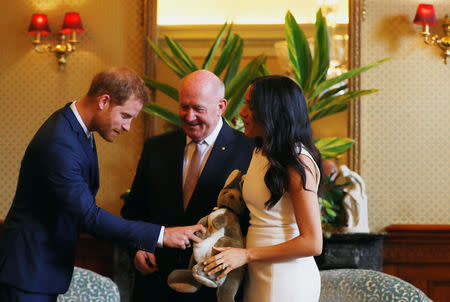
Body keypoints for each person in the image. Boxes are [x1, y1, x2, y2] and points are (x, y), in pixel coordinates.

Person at [0, 67, 205, 302]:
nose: (127, 126)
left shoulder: (77, 129)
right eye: (125, 116)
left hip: (39, 269)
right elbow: (89, 216)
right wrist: (162, 234)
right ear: (104, 101)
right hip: (27, 271)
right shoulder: (59, 143)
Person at [121, 69, 254, 302]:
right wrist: (138, 248)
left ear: (221, 107)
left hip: (214, 286)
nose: (189, 116)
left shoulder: (249, 151)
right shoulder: (156, 148)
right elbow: (133, 210)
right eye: (184, 107)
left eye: (198, 109)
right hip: (155, 282)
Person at [203, 75, 323, 301]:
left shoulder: (297, 161)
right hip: (258, 272)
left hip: (287, 278)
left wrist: (246, 254)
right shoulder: (260, 151)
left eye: (250, 104)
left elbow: (313, 243)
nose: (242, 112)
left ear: (273, 111)